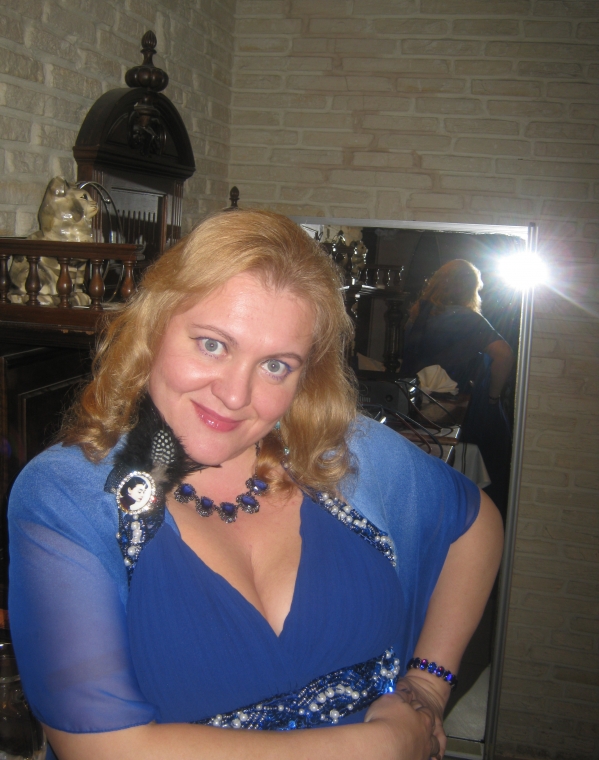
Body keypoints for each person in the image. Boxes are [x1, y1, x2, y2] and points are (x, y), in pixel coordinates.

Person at [8, 211, 503, 760]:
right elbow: (102, 747)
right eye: (212, 344)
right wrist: (379, 744)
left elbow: (475, 522)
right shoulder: (67, 495)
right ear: (154, 327)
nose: (235, 395)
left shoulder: (338, 452)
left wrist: (430, 683)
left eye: (275, 365)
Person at [401, 259, 514, 515]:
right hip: (458, 408)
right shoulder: (468, 319)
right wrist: (493, 397)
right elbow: (504, 355)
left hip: (416, 405)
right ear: (470, 289)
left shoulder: (418, 314)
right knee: (489, 462)